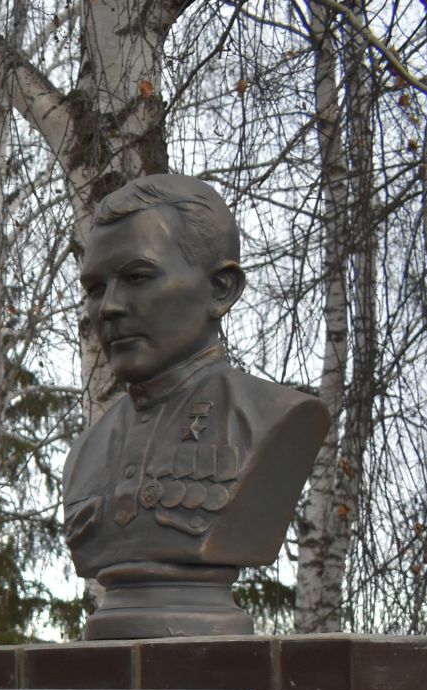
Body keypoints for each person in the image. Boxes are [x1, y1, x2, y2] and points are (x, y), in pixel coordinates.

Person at [62, 173, 330, 637]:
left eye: (137, 277)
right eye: (95, 288)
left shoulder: (272, 418)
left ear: (221, 289)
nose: (107, 308)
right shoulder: (86, 454)